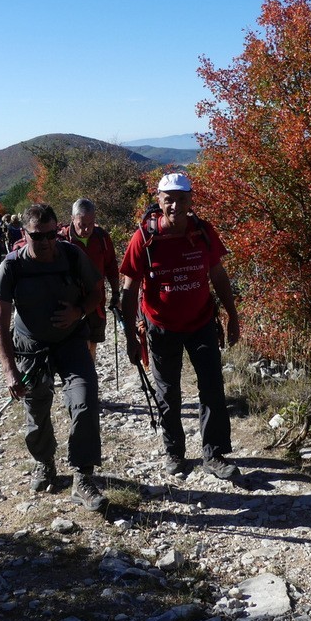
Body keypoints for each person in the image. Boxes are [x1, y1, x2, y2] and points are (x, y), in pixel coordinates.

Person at [118, 172, 241, 480]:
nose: (175, 205)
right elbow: (129, 289)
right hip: (160, 327)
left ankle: (214, 454)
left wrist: (232, 315)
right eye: (168, 199)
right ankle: (175, 452)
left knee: (212, 387)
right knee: (168, 392)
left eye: (181, 199)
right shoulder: (144, 238)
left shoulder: (203, 232)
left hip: (201, 322)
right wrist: (131, 334)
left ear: (190, 201)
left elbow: (218, 276)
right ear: (159, 202)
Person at [0, 203, 107, 510]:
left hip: (71, 342)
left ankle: (83, 477)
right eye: (36, 236)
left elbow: (98, 290)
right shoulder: (12, 266)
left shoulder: (71, 254)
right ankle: (44, 463)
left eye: (51, 234)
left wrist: (79, 311)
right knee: (37, 412)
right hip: (31, 348)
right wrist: (9, 371)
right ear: (24, 234)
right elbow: (0, 322)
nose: (45, 242)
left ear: (58, 230)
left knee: (84, 400)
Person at [58, 198, 120, 362]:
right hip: (72, 303)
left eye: (91, 224)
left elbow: (111, 266)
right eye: (81, 224)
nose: (86, 229)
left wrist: (116, 293)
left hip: (96, 302)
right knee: (79, 345)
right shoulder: (61, 241)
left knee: (92, 342)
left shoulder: (101, 237)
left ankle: (89, 377)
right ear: (72, 219)